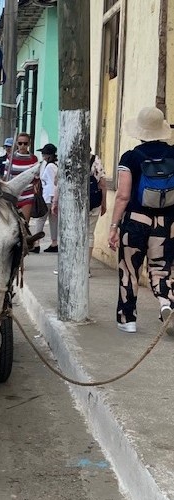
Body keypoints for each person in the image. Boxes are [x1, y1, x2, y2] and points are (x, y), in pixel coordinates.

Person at [108, 106, 174, 334]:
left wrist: (114, 226)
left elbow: (123, 196)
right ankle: (166, 304)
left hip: (136, 221)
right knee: (162, 270)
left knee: (129, 269)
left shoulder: (131, 157)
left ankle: (128, 320)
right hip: (166, 224)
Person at [3, 133, 39, 224]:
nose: (22, 146)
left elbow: (36, 177)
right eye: (20, 143)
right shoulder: (11, 158)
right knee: (11, 223)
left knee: (25, 224)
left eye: (25, 143)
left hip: (27, 194)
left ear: (29, 144)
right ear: (16, 144)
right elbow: (6, 176)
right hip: (12, 194)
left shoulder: (33, 159)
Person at [31, 143, 58, 253]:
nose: (42, 156)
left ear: (49, 155)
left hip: (48, 197)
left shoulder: (51, 166)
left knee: (40, 219)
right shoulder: (53, 165)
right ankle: (54, 242)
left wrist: (51, 198)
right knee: (53, 220)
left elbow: (52, 183)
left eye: (44, 154)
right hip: (50, 197)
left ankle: (37, 243)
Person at [88, 150, 107, 271]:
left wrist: (56, 201)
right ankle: (86, 267)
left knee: (72, 233)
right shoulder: (95, 160)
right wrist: (104, 203)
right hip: (93, 202)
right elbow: (103, 184)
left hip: (73, 204)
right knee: (89, 234)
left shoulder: (71, 158)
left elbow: (58, 182)